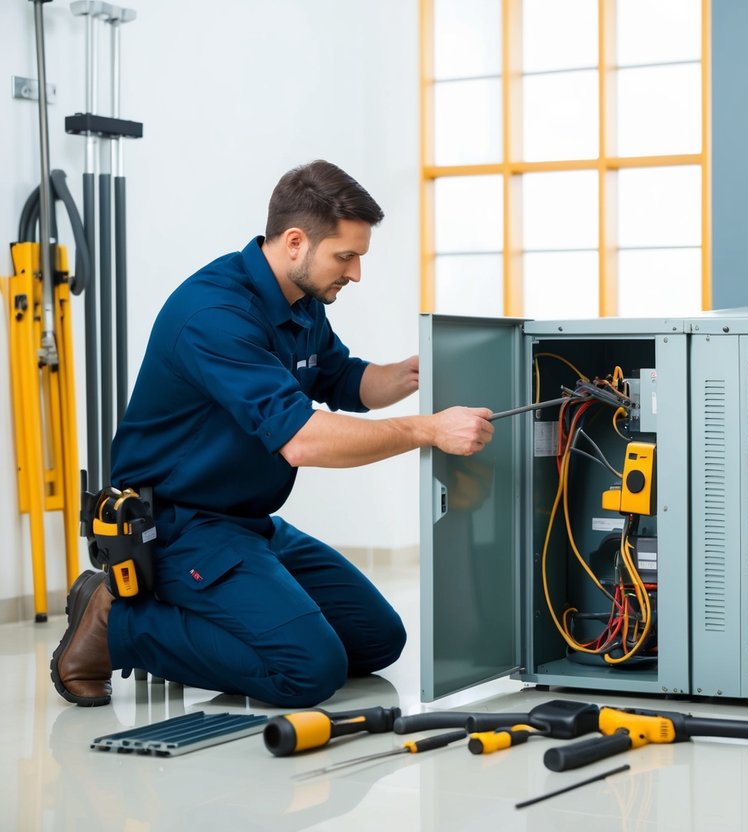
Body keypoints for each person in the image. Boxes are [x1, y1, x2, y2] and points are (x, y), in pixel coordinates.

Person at [49, 160, 494, 708]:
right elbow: (303, 439)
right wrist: (426, 431)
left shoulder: (301, 302)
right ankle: (115, 626)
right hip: (179, 525)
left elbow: (346, 379)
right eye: (346, 256)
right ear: (294, 242)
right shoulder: (215, 314)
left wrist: (418, 371)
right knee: (308, 671)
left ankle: (228, 620)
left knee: (379, 638)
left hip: (248, 524)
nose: (356, 273)